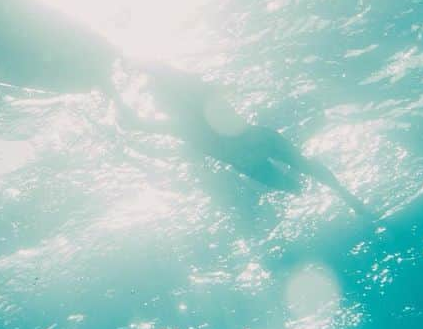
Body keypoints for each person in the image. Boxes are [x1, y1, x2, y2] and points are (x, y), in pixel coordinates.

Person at [115, 62, 371, 216]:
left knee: (298, 183)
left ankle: (346, 197)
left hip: (250, 153)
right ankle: (347, 197)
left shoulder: (182, 123)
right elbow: (138, 123)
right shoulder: (190, 113)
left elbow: (135, 123)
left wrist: (114, 94)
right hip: (257, 143)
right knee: (302, 177)